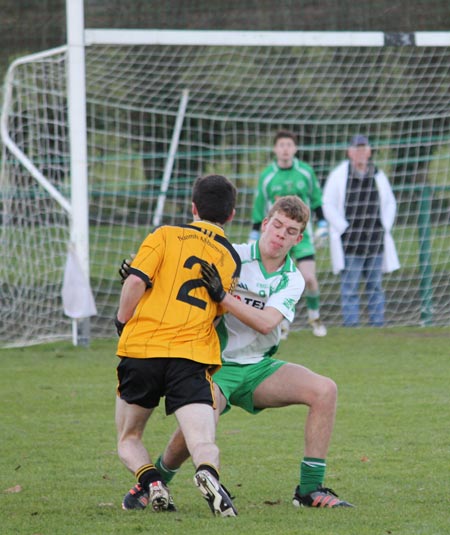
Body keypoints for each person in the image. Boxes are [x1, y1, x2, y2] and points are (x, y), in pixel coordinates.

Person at [122, 196, 353, 509]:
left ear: (299, 239)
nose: (280, 234)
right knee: (195, 431)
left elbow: (266, 323)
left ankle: (309, 490)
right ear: (264, 224)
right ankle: (153, 483)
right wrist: (142, 276)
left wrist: (224, 297)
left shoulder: (292, 279)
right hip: (216, 365)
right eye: (277, 225)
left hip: (259, 367)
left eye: (291, 231)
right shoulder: (233, 256)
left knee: (325, 390)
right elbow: (179, 278)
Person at [114, 174, 241, 517]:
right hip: (191, 356)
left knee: (129, 437)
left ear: (193, 207)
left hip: (142, 350)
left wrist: (122, 321)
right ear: (231, 215)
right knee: (202, 441)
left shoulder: (164, 235)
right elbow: (216, 316)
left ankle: (152, 482)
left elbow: (136, 280)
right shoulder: (230, 258)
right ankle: (208, 473)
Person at [249, 130, 328, 339]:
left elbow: (317, 198)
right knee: (276, 279)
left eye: (289, 145)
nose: (285, 149)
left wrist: (322, 223)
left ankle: (314, 316)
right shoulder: (267, 176)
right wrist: (254, 232)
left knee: (309, 278)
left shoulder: (305, 172)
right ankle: (281, 322)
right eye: (281, 145)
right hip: (276, 237)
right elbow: (259, 206)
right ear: (275, 149)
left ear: (295, 148)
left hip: (303, 237)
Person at [322, 134, 400, 327]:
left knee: (375, 287)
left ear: (369, 151)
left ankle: (378, 325)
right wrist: (343, 228)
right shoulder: (339, 175)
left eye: (364, 148)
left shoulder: (378, 175)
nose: (360, 153)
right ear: (349, 152)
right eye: (357, 149)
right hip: (350, 242)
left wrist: (384, 226)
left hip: (374, 240)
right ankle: (352, 327)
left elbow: (390, 202)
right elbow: (328, 204)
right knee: (349, 288)